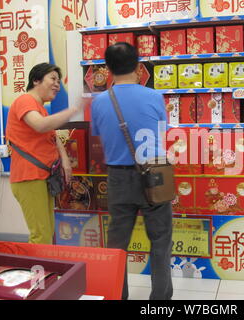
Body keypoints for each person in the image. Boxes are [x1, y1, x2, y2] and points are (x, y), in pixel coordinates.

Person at [91, 42, 173, 300]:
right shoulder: (154, 97)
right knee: (160, 241)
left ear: (108, 69)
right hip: (155, 172)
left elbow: (98, 136)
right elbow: (162, 131)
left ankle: (117, 296)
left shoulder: (99, 102)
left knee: (117, 246)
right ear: (139, 67)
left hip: (118, 178)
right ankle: (160, 300)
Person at [6, 62, 86, 245]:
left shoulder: (39, 107)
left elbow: (52, 135)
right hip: (29, 177)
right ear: (36, 80)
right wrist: (73, 110)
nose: (57, 84)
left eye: (59, 80)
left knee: (47, 231)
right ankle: (38, 273)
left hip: (41, 176)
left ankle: (45, 271)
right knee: (40, 235)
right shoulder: (24, 101)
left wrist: (65, 160)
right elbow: (41, 125)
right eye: (53, 79)